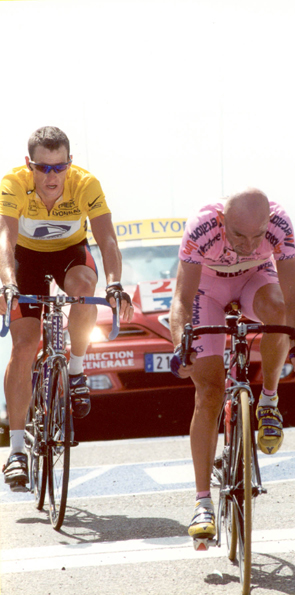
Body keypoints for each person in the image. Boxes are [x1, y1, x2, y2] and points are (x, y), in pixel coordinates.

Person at [169, 188, 295, 541]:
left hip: (255, 281)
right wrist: (180, 344)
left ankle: (268, 401)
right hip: (208, 290)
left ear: (268, 222)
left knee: (278, 312)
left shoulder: (280, 224)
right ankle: (202, 502)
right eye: (239, 236)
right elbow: (182, 299)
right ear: (222, 222)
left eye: (257, 236)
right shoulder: (201, 227)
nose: (249, 245)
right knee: (209, 393)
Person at [0, 126, 134, 491]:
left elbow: (106, 239)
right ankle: (15, 452)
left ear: (69, 163)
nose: (51, 176)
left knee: (83, 287)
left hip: (70, 255)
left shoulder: (85, 183)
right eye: (43, 168)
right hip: (24, 260)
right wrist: (8, 284)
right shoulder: (13, 183)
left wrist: (115, 283)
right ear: (30, 165)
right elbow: (6, 240)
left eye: (59, 168)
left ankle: (75, 370)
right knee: (25, 345)